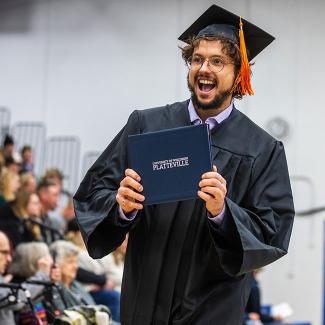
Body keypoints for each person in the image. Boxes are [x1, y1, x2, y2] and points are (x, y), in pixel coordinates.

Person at [73, 5, 295, 325]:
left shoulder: (261, 149)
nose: (204, 68)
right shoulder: (146, 125)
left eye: (217, 61)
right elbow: (94, 192)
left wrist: (222, 211)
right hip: (143, 301)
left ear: (239, 74)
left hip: (211, 309)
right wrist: (121, 206)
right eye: (197, 59)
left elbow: (273, 231)